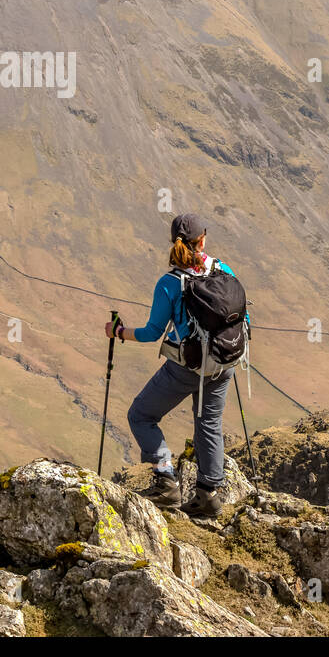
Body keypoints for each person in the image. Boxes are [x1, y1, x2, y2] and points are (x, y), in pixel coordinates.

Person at [106, 213, 240, 517]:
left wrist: (118, 332)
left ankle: (166, 480)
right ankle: (208, 494)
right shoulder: (223, 269)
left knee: (141, 415)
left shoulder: (169, 283)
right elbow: (242, 317)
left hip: (188, 367)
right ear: (202, 239)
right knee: (208, 423)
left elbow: (153, 332)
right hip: (224, 363)